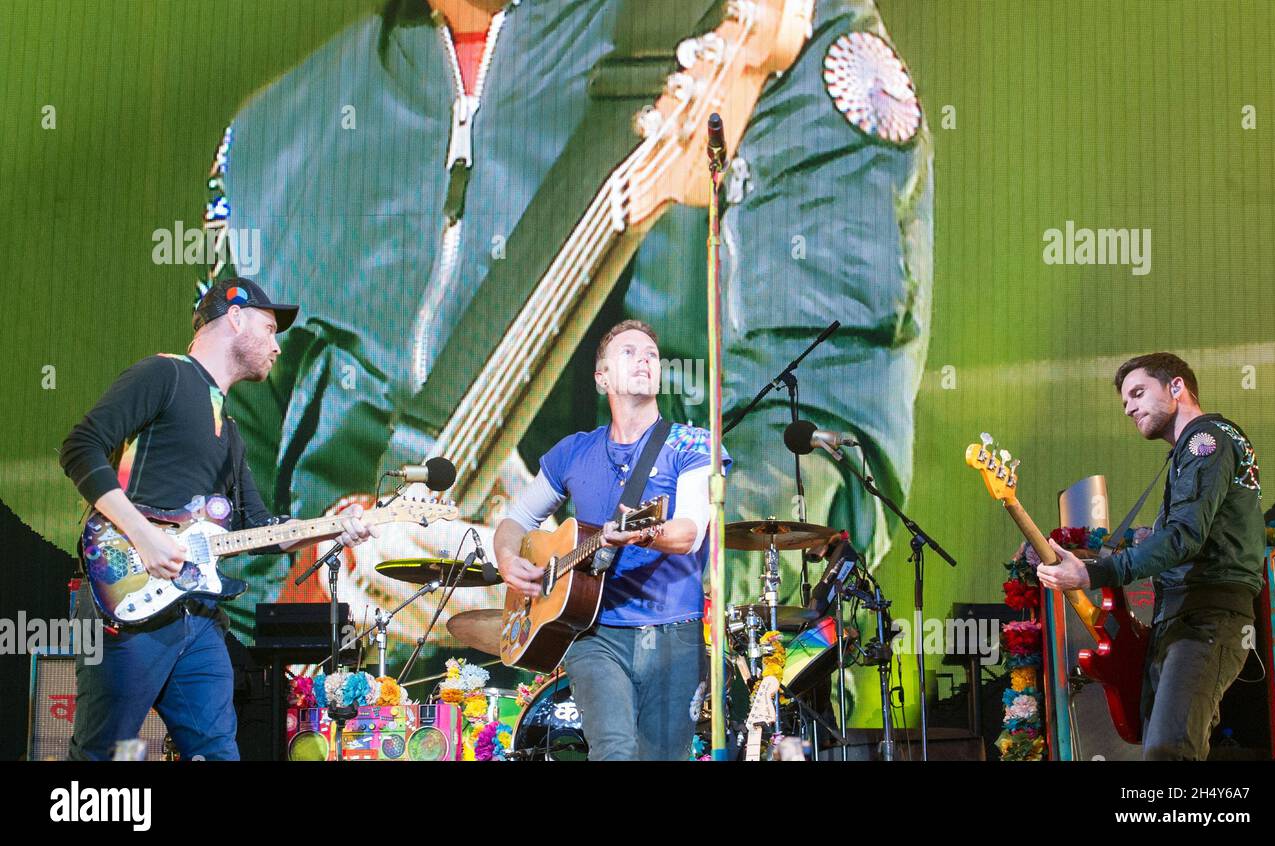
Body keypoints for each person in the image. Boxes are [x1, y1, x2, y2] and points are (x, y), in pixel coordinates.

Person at [200, 0, 932, 657]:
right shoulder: (274, 132)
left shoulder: (767, 32)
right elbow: (228, 491)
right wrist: (293, 611)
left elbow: (816, 460)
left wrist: (579, 573)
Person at [59, 279, 375, 760]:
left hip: (199, 614)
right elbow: (80, 448)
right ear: (234, 316)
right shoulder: (164, 375)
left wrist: (338, 525)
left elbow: (263, 532)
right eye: (270, 329)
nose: (276, 345)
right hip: (125, 598)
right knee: (101, 753)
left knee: (218, 750)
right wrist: (144, 537)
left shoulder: (230, 432)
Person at [493, 320, 729, 760]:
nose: (644, 359)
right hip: (592, 631)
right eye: (629, 352)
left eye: (652, 355)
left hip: (673, 632)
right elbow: (517, 519)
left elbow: (690, 533)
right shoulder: (573, 450)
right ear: (601, 379)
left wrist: (644, 532)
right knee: (613, 753)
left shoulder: (691, 443)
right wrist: (507, 558)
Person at [1037, 353, 1265, 760]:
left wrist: (1095, 572)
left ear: (1176, 387)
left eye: (1139, 393)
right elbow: (1190, 532)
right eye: (1125, 401)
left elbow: (1184, 538)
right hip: (1187, 618)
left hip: (1206, 618)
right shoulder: (1190, 451)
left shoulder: (1204, 439)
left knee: (1167, 751)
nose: (1129, 407)